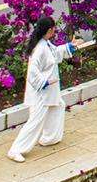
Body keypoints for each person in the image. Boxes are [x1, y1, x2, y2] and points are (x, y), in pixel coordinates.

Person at [9, 21, 79, 164]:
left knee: (58, 105)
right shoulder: (40, 48)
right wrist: (44, 82)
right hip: (41, 92)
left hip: (49, 90)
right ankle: (15, 149)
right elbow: (32, 72)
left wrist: (67, 48)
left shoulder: (45, 44)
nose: (54, 32)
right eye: (53, 29)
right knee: (35, 121)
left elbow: (54, 53)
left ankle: (50, 138)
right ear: (48, 30)